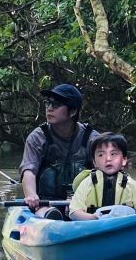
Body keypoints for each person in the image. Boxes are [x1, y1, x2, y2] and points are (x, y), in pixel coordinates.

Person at [19, 84, 99, 216]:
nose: (49, 109)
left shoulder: (92, 138)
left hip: (82, 204)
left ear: (73, 111)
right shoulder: (37, 137)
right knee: (46, 212)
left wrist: (80, 201)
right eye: (47, 103)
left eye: (56, 104)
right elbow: (29, 171)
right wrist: (32, 195)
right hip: (45, 204)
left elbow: (102, 173)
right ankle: (50, 216)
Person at [69, 132, 136, 220]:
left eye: (113, 154)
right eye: (101, 155)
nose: (108, 159)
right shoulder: (86, 183)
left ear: (124, 160)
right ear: (94, 162)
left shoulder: (132, 185)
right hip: (93, 226)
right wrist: (94, 217)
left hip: (125, 226)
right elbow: (74, 212)